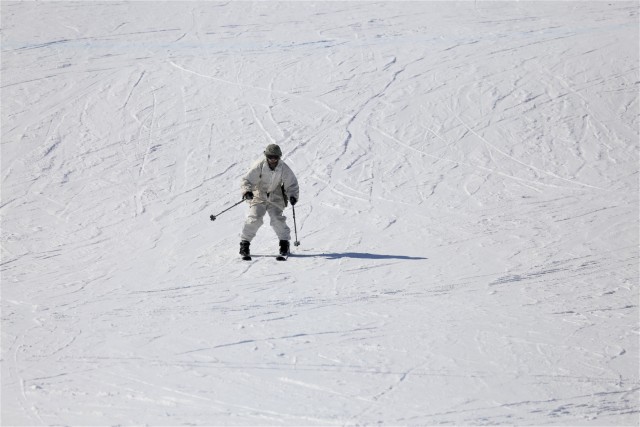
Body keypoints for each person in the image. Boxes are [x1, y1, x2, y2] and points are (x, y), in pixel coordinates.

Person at [239, 144, 299, 258]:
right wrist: (247, 191)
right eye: (270, 157)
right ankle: (244, 244)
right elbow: (247, 180)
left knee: (277, 219)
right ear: (266, 156)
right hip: (258, 194)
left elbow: (292, 184)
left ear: (279, 157)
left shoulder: (283, 167)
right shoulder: (259, 165)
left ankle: (284, 244)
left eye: (276, 157)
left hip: (275, 195)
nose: (273, 160)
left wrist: (292, 195)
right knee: (255, 218)